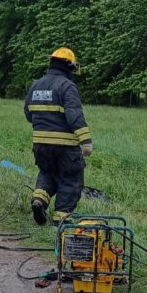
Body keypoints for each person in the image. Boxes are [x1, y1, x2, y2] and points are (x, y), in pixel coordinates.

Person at [24, 47, 92, 224]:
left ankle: (39, 199)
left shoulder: (36, 84)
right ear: (69, 66)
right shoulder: (67, 86)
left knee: (47, 173)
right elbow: (74, 114)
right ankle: (61, 218)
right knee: (71, 179)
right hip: (65, 147)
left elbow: (28, 114)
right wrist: (85, 141)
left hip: (40, 145)